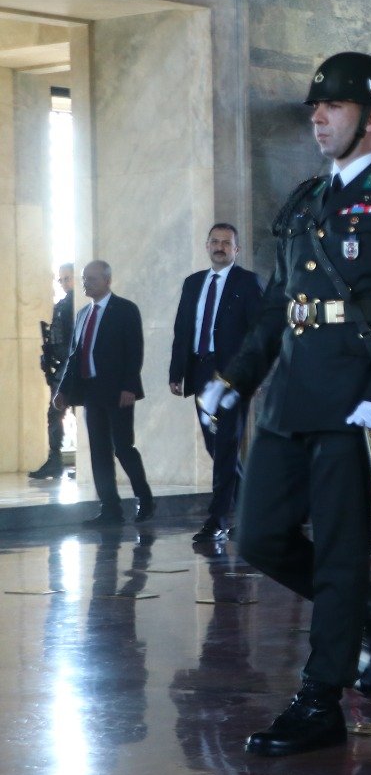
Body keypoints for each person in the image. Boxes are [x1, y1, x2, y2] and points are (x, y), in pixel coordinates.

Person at [201, 51, 371, 755]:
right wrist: (236, 378)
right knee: (258, 535)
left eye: (331, 107)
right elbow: (280, 305)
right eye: (315, 107)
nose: (318, 117)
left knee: (338, 552)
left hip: (354, 399)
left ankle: (320, 698)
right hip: (291, 396)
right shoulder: (306, 199)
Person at [167, 224, 263, 543]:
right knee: (216, 445)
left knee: (224, 445)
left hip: (232, 378)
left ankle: (217, 518)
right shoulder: (193, 283)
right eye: (215, 242)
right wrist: (176, 373)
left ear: (237, 250)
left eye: (227, 243)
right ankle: (254, 508)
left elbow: (259, 335)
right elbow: (183, 329)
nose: (220, 247)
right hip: (199, 372)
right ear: (206, 246)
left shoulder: (247, 283)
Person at [52, 260, 153, 526]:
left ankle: (145, 498)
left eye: (92, 279)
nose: (86, 283)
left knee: (122, 447)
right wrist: (63, 390)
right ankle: (110, 508)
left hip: (118, 390)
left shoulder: (125, 310)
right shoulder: (83, 313)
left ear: (107, 280)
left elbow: (135, 351)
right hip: (91, 391)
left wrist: (129, 386)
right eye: (84, 279)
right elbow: (74, 356)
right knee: (98, 451)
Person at [29, 263, 75, 479]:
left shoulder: (76, 303)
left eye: (68, 278)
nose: (65, 282)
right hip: (62, 366)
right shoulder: (63, 304)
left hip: (71, 367)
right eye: (62, 279)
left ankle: (80, 462)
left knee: (67, 413)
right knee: (55, 414)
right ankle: (55, 460)